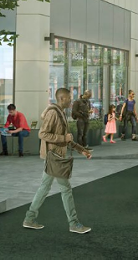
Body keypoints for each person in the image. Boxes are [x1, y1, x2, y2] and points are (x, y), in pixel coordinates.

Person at [23, 87, 92, 234]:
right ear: (62, 99)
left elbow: (67, 139)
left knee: (44, 187)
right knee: (65, 189)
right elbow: (42, 134)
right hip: (54, 157)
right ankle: (73, 223)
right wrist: (63, 138)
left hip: (55, 157)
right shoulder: (54, 113)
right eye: (69, 98)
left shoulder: (60, 113)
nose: (71, 100)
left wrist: (82, 150)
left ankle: (29, 218)